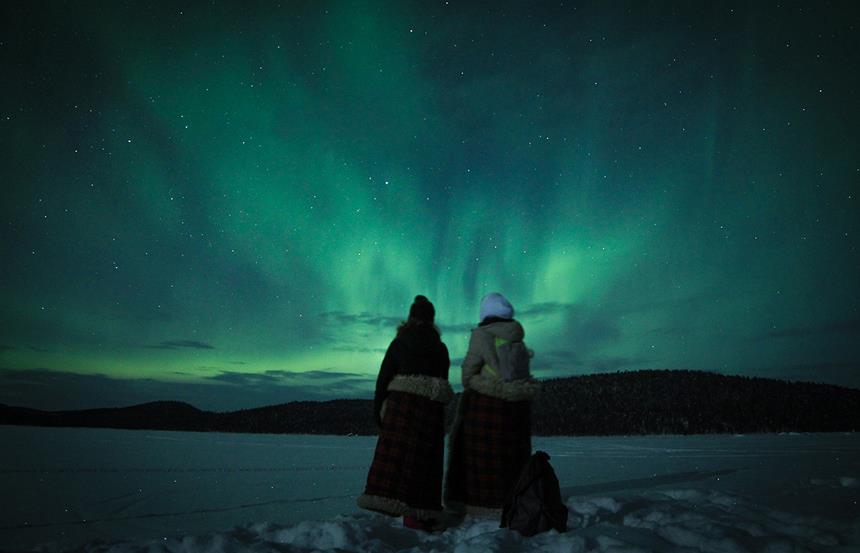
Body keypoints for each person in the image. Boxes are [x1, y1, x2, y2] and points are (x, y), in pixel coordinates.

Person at [357, 295, 453, 531]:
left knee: (398, 466)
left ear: (410, 318)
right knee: (424, 467)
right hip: (429, 413)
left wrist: (379, 413)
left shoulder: (399, 343)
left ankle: (395, 518)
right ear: (431, 320)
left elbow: (383, 380)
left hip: (401, 409)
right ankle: (420, 515)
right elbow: (442, 382)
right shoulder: (441, 348)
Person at [444, 292, 541, 516]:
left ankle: (477, 502)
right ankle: (510, 499)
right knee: (510, 455)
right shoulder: (516, 337)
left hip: (486, 404)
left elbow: (468, 371)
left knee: (476, 454)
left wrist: (473, 381)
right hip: (515, 407)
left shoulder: (482, 335)